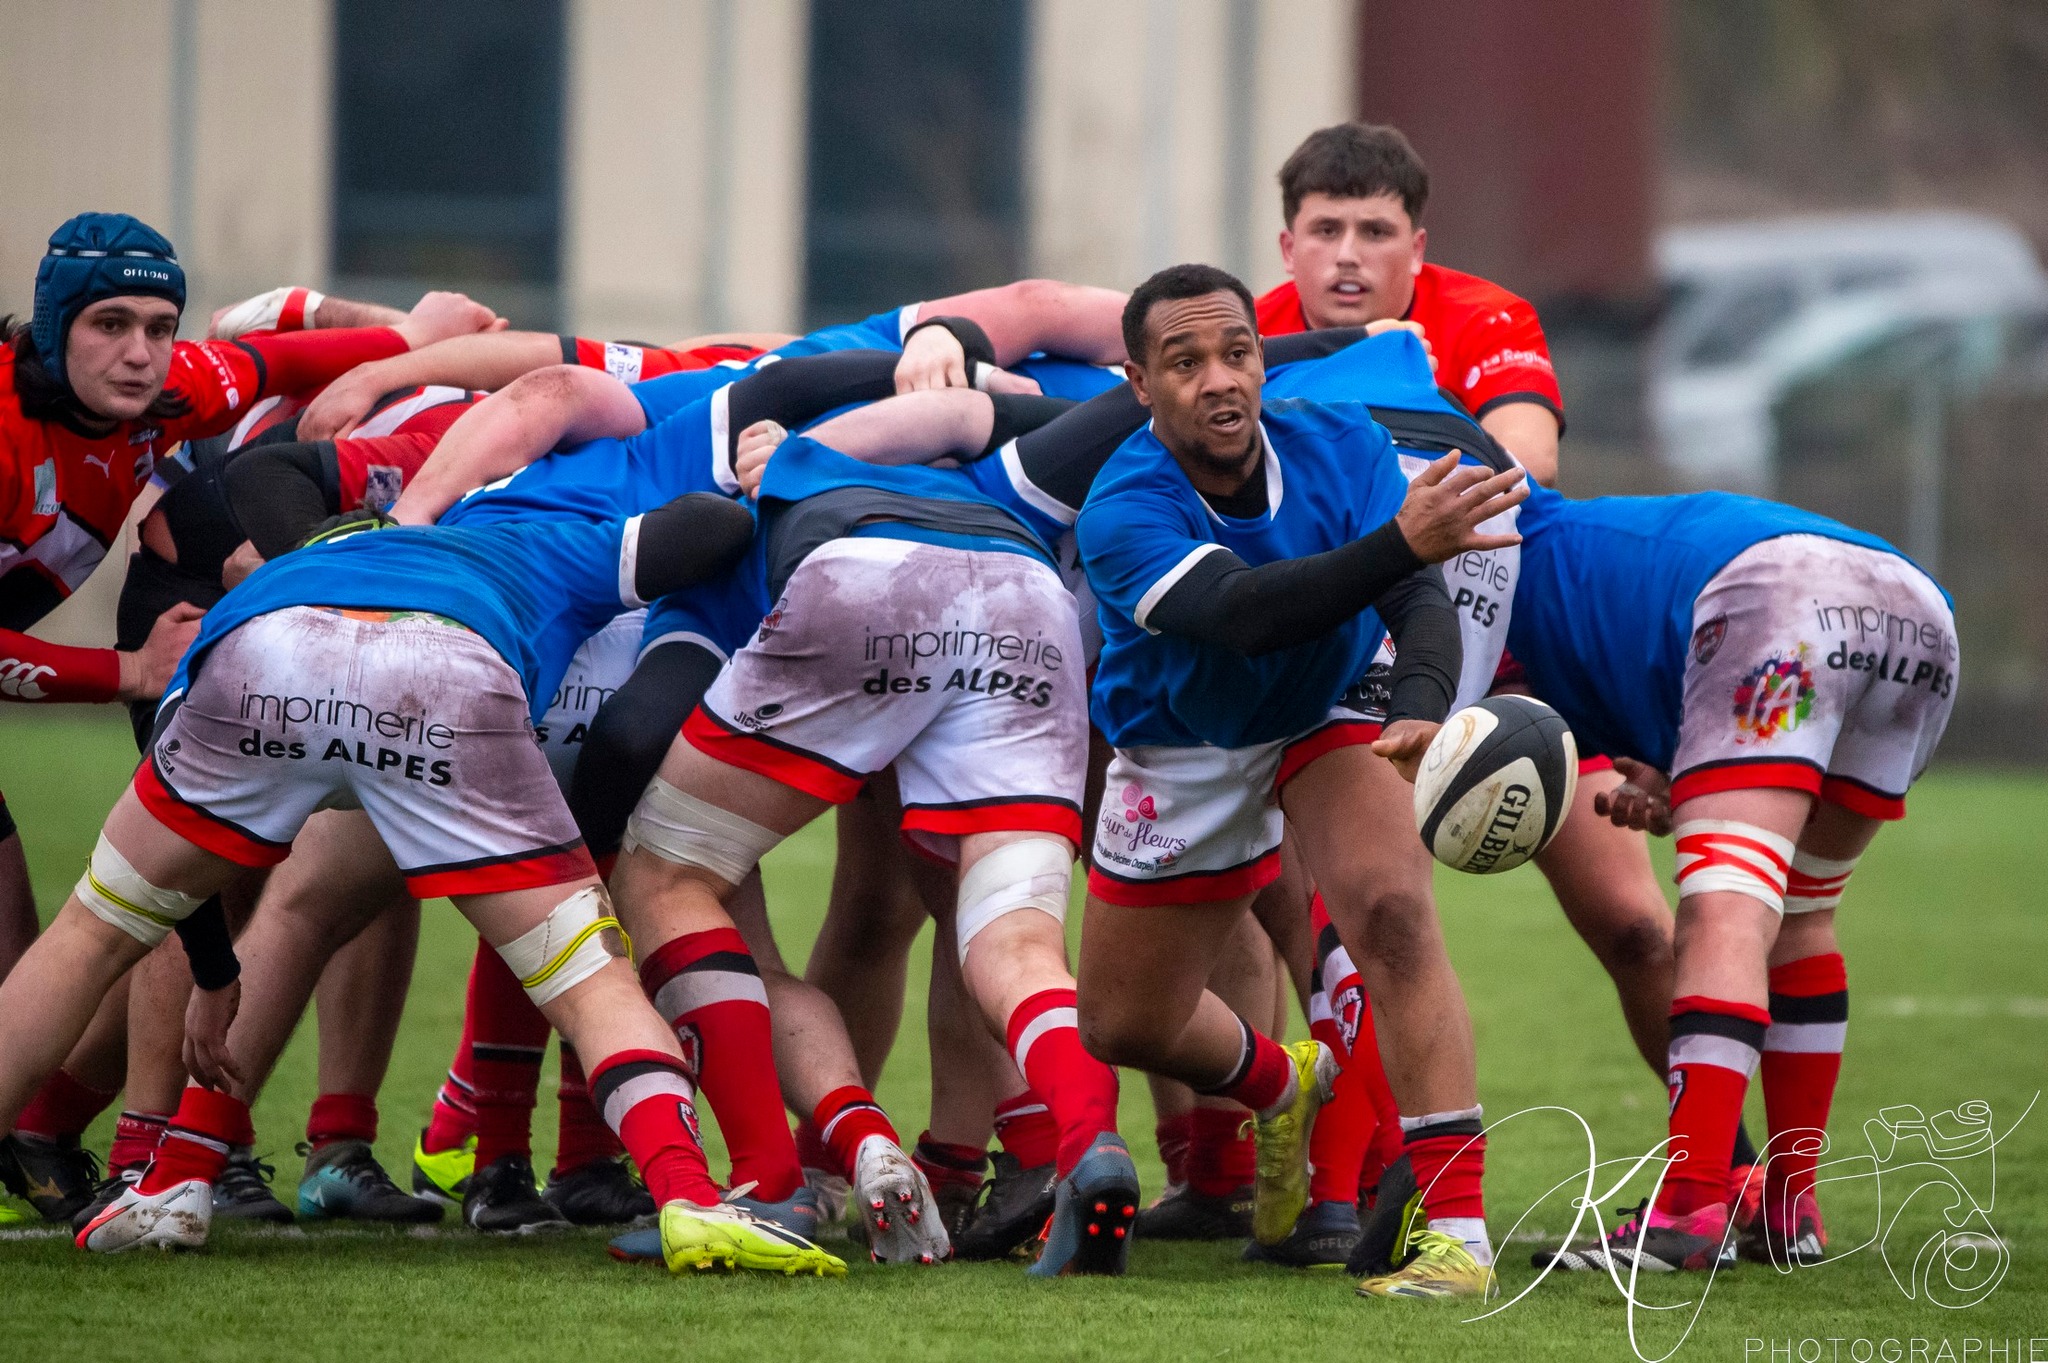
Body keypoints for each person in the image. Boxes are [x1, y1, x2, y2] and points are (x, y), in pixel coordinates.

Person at [0, 490, 845, 1276]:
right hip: (441, 665)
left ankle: (178, 1175)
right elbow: (698, 530)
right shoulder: (515, 540)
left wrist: (216, 971)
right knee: (593, 983)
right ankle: (689, 1194)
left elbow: (178, 818)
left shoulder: (270, 581)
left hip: (269, 649)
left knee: (89, 932)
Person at [0, 213, 496, 1223]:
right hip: (183, 609)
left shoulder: (175, 387)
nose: (140, 352)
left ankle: (86, 1138)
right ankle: (146, 1149)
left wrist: (407, 337)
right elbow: (263, 327)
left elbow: (277, 351)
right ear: (54, 329)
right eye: (109, 325)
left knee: (84, 934)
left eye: (157, 326)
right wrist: (128, 671)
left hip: (234, 620)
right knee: (163, 886)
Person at [1070, 264, 1525, 1300]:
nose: (1219, 379)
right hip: (1184, 742)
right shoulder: (1122, 506)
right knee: (1124, 1023)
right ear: (1139, 384)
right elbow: (1246, 616)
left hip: (1326, 704)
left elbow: (1415, 592)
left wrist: (1418, 701)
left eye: (1237, 352)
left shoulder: (1340, 441)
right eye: (1185, 362)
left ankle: (1457, 1233)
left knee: (1391, 910)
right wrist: (1397, 542)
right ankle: (1286, 1082)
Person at [1507, 483, 1954, 1273]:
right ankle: (1789, 1208)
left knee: (1725, 909)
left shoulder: (1508, 570)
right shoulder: (1589, 551)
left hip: (1780, 597)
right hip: (1917, 612)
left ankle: (1689, 1208)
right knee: (1803, 913)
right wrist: (1673, 773)